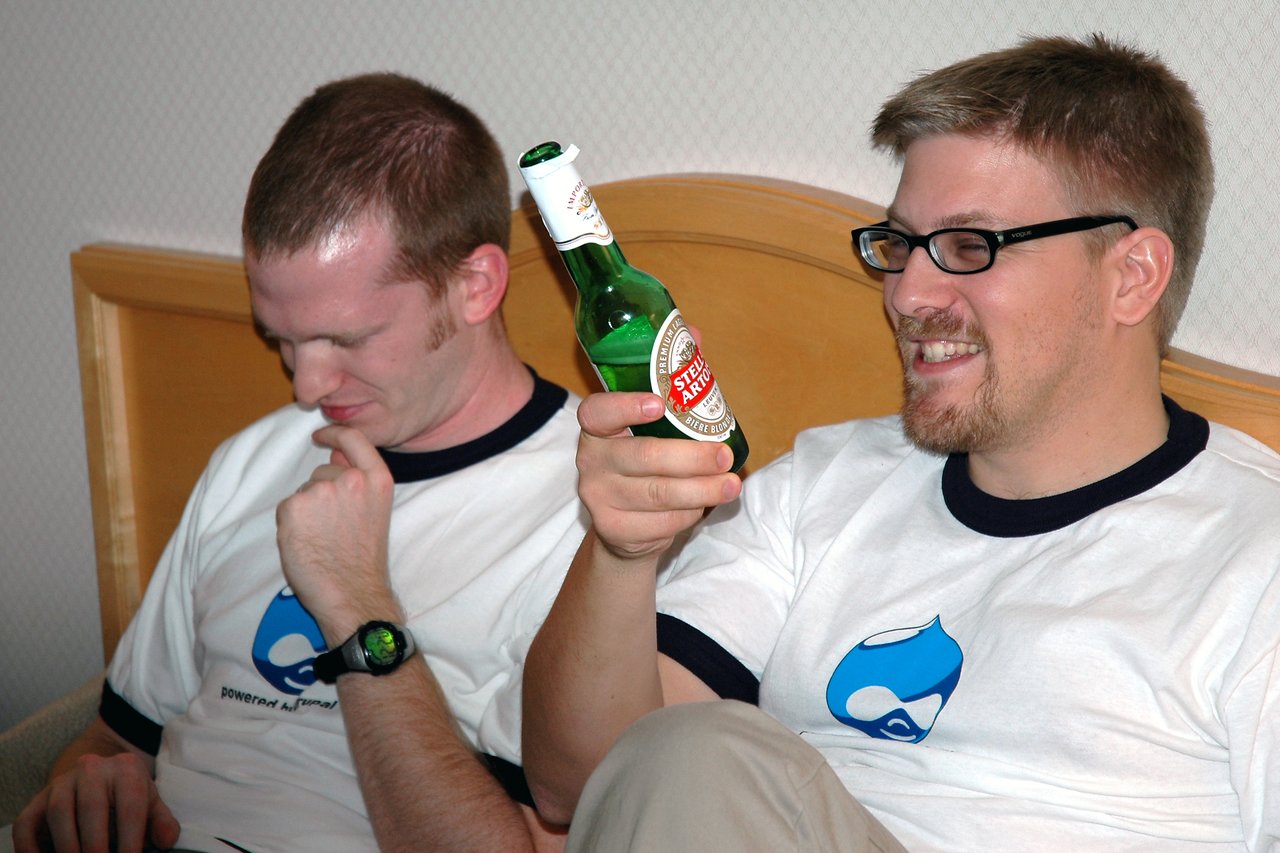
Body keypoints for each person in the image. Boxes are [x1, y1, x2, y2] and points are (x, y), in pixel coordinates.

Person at [522, 34, 1280, 851]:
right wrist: (621, 556)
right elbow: (580, 787)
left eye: (969, 247)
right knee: (687, 752)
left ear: (1131, 275)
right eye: (899, 246)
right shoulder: (821, 483)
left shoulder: (1254, 557)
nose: (909, 294)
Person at [13, 73, 584, 852]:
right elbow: (116, 739)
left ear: (475, 285)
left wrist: (356, 605)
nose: (307, 387)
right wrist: (90, 785)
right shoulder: (253, 459)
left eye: (345, 341)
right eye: (281, 340)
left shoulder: (592, 516)